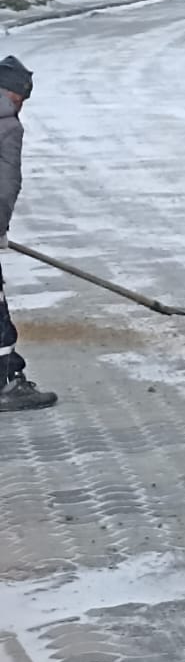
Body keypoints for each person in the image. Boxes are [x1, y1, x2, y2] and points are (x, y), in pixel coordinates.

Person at [0, 57, 54, 413]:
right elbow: (5, 183)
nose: (21, 105)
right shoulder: (7, 126)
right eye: (21, 98)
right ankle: (6, 384)